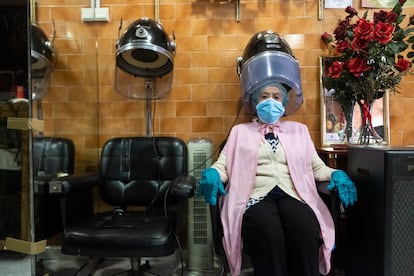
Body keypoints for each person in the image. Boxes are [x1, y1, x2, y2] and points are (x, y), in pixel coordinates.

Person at [198, 30, 357, 276]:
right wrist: (212, 174)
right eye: (264, 96)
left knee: (304, 227)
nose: (270, 101)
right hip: (254, 196)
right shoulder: (240, 132)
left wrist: (336, 174)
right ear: (254, 100)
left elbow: (316, 167)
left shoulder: (299, 131)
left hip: (293, 194)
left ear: (283, 103)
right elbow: (224, 166)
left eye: (276, 97)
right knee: (267, 230)